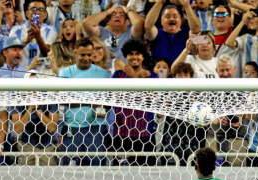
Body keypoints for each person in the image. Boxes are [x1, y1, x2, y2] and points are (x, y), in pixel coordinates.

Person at [58, 38, 111, 166]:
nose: (86, 58)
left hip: (96, 128)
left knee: (96, 171)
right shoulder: (65, 73)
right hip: (71, 127)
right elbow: (63, 100)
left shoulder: (103, 74)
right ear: (75, 53)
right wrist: (89, 101)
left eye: (89, 55)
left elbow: (107, 107)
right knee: (69, 170)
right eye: (83, 55)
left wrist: (99, 110)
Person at [111, 39, 158, 167]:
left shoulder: (152, 76)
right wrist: (136, 79)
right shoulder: (118, 75)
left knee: (146, 176)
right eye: (131, 53)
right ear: (126, 56)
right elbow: (115, 97)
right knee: (120, 177)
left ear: (143, 56)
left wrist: (135, 79)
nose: (134, 56)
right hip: (121, 133)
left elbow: (153, 99)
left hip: (145, 134)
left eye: (138, 53)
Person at [145, 0, 201, 64]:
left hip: (183, 72)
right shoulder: (158, 34)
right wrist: (160, 2)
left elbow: (196, 29)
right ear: (161, 21)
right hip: (161, 73)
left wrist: (187, 6)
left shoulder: (186, 34)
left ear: (180, 20)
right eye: (167, 17)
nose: (172, 19)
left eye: (175, 16)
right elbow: (148, 26)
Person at [10, 96, 59, 166]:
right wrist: (30, 108)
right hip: (26, 144)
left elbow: (51, 128)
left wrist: (37, 109)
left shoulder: (50, 97)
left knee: (48, 174)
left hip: (48, 144)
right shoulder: (18, 98)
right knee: (25, 175)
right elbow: (18, 129)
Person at [9, 0, 57, 70]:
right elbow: (11, 53)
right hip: (21, 75)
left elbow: (47, 55)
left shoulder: (51, 30)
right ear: (27, 13)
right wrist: (26, 41)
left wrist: (38, 37)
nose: (37, 12)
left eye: (41, 9)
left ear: (45, 14)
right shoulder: (16, 29)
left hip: (42, 75)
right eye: (33, 9)